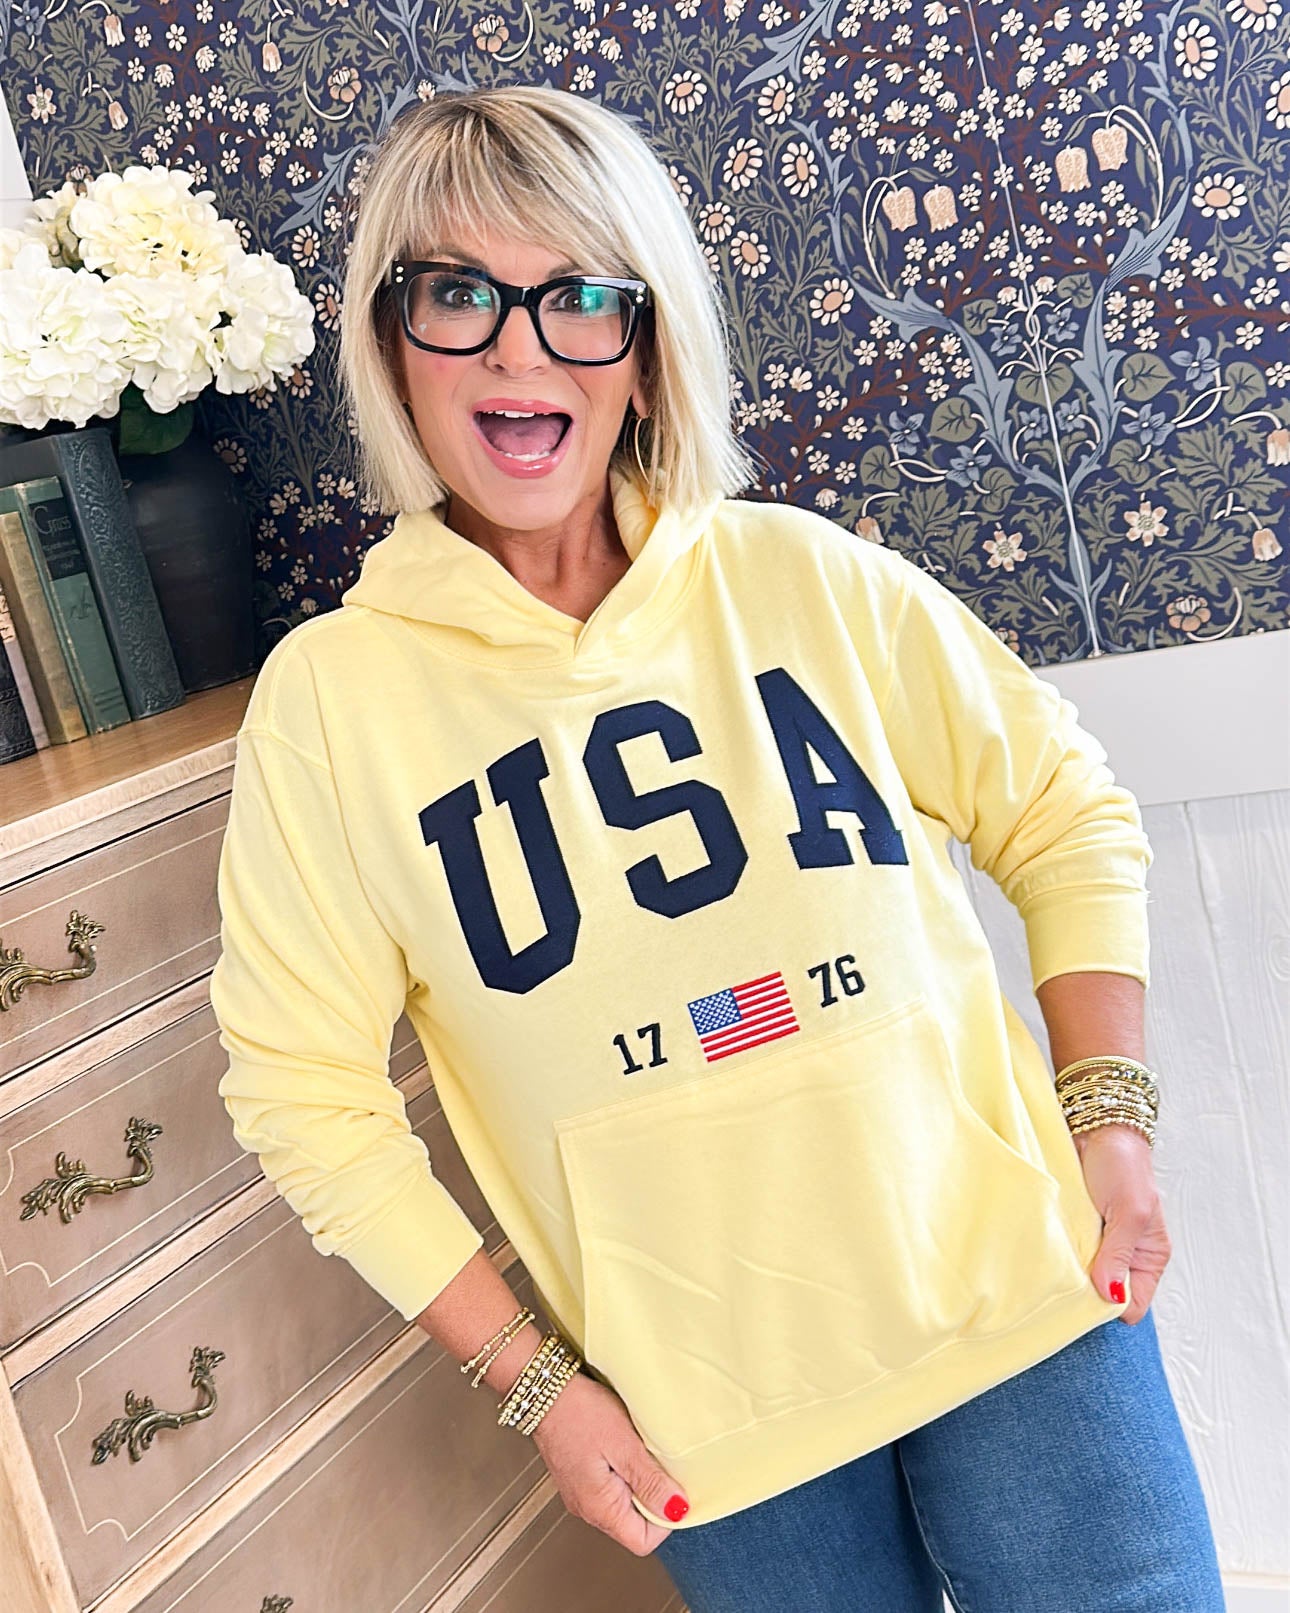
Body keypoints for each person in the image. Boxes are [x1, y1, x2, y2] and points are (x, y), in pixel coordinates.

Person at [209, 83, 1227, 1612]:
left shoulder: (800, 580)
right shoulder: (330, 707)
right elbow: (303, 1091)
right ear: (390, 338)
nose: (517, 348)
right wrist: (537, 1383)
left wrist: (1113, 1123)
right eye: (459, 294)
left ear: (644, 342)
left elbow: (1058, 806)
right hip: (715, 1424)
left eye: (577, 298)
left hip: (1023, 1303)